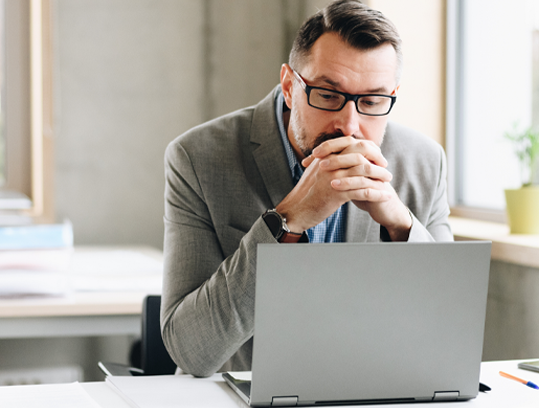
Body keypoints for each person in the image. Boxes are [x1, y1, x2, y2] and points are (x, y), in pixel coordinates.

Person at [161, 0, 452, 378]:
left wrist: (400, 225)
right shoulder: (197, 158)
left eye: (372, 101)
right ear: (288, 86)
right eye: (329, 96)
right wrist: (287, 221)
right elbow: (191, 352)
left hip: (371, 397)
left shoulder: (424, 162)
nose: (350, 125)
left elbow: (448, 330)